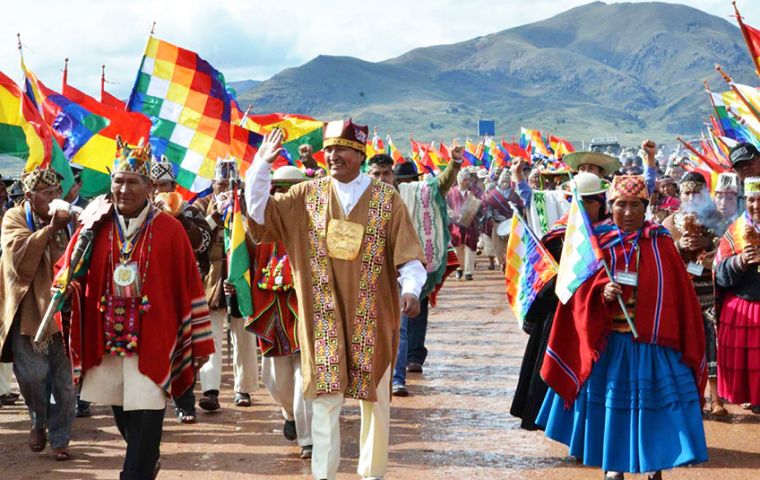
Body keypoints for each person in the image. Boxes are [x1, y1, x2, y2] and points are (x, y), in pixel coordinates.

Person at [245, 120, 426, 480]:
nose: (332, 156)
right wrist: (260, 166)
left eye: (341, 149)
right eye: (328, 149)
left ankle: (371, 473)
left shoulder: (386, 199)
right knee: (325, 401)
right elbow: (258, 212)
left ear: (359, 154)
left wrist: (410, 289)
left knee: (375, 402)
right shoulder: (304, 197)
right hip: (322, 319)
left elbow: (409, 256)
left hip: (373, 318)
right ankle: (323, 474)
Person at [537, 175, 708, 479]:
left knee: (653, 408)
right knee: (612, 411)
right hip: (610, 344)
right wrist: (599, 293)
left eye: (635, 205)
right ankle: (613, 465)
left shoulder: (660, 241)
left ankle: (654, 464)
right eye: (620, 205)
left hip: (652, 345)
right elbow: (575, 291)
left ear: (646, 207)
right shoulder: (595, 243)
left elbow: (679, 293)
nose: (628, 212)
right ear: (610, 206)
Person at [65, 138, 215, 478]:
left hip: (156, 339)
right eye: (118, 180)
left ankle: (135, 471)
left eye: (133, 181)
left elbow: (190, 283)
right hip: (108, 340)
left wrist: (198, 339)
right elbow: (69, 270)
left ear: (149, 187)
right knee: (123, 413)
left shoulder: (170, 229)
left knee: (147, 412)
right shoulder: (96, 224)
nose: (123, 188)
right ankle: (147, 459)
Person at [510, 172, 609, 430]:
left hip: (601, 316)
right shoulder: (558, 236)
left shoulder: (613, 235)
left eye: (588, 201)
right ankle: (558, 425)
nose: (582, 207)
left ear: (600, 201)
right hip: (560, 315)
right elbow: (542, 278)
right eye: (576, 201)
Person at [367, 151, 462, 394]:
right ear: (368, 175)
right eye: (375, 174)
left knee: (401, 324)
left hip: (405, 271)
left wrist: (455, 162)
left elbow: (441, 183)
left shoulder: (414, 195)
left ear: (393, 177)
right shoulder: (358, 199)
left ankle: (398, 378)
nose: (381, 178)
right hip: (366, 273)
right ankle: (371, 376)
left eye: (386, 173)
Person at [0, 168, 75, 460]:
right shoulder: (14, 217)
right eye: (47, 194)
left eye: (57, 192)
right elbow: (16, 257)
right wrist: (50, 230)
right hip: (29, 309)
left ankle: (60, 439)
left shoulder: (72, 219)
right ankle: (37, 418)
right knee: (32, 376)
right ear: (30, 197)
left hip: (64, 309)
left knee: (65, 382)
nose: (54, 198)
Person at [246, 165, 314, 459]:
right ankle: (289, 412)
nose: (284, 195)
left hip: (304, 309)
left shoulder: (317, 223)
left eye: (290, 189)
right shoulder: (259, 224)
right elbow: (243, 261)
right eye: (279, 189)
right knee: (275, 380)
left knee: (305, 373)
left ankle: (308, 437)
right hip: (269, 308)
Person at [151, 157, 214, 424]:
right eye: (152, 186)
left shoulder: (189, 211)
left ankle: (185, 403)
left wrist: (179, 220)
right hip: (150, 290)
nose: (157, 192)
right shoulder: (139, 214)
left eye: (162, 185)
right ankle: (150, 406)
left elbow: (203, 245)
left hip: (182, 290)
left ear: (173, 185)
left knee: (184, 345)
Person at [194, 161, 259, 410]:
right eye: (221, 184)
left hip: (241, 278)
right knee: (210, 337)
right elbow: (195, 237)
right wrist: (215, 215)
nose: (225, 189)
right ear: (213, 184)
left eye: (231, 185)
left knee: (244, 336)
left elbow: (256, 241)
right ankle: (210, 390)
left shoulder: (247, 208)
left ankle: (244, 389)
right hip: (209, 281)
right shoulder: (200, 206)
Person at [662, 172, 725, 417]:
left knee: (713, 346)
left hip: (710, 292)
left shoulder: (717, 221)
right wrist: (679, 247)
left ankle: (717, 399)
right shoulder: (668, 223)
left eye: (697, 192)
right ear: (680, 194)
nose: (691, 197)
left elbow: (725, 251)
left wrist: (707, 245)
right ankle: (692, 398)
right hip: (681, 294)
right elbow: (660, 256)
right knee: (683, 346)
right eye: (687, 192)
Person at [714, 176, 760, 415]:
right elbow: (720, 276)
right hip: (744, 310)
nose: (756, 205)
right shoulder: (736, 231)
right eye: (751, 199)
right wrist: (740, 262)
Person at [481, 169, 524, 271]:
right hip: (497, 223)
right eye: (503, 181)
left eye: (507, 182)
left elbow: (520, 207)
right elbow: (488, 208)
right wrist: (490, 217)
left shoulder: (514, 194)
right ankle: (502, 262)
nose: (505, 184)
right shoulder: (493, 194)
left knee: (511, 246)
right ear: (499, 182)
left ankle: (510, 263)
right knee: (498, 247)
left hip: (512, 223)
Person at [447, 167, 482, 280]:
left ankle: (469, 272)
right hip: (456, 225)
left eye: (468, 179)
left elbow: (479, 205)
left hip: (470, 224)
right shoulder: (451, 193)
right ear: (460, 180)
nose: (467, 181)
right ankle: (460, 268)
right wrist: (452, 213)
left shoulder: (473, 193)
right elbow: (446, 207)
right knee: (458, 248)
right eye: (465, 179)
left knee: (470, 248)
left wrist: (476, 208)